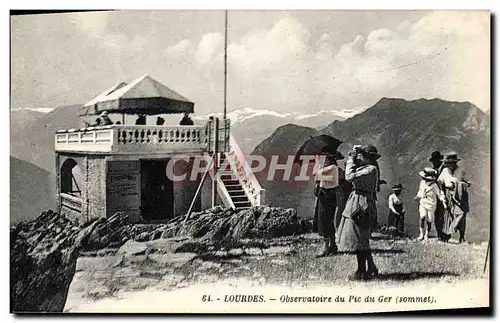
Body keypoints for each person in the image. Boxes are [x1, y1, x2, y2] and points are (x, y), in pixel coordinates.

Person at [336, 144, 380, 280]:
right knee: (360, 238)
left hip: (362, 203)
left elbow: (349, 177)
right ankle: (370, 267)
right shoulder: (367, 167)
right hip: (358, 200)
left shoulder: (370, 169)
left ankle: (361, 271)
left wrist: (350, 160)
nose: (358, 156)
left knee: (360, 237)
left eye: (360, 154)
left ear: (367, 157)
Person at [312, 148, 345, 257]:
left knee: (324, 221)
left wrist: (317, 162)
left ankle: (326, 248)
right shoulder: (331, 168)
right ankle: (332, 245)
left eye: (326, 157)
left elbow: (315, 175)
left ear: (330, 158)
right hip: (326, 195)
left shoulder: (332, 168)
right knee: (327, 221)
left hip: (327, 196)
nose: (324, 159)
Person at [437, 152, 470, 243]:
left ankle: (461, 236)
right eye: (447, 163)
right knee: (448, 215)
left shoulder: (460, 171)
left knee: (461, 214)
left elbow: (466, 181)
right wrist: (442, 193)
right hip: (448, 194)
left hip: (459, 195)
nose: (448, 165)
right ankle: (447, 235)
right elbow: (440, 182)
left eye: (450, 163)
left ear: (454, 163)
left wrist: (462, 184)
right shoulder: (444, 171)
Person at [414, 168, 447, 241]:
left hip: (431, 205)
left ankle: (426, 234)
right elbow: (420, 191)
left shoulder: (434, 186)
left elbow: (439, 194)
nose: (425, 179)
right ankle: (421, 234)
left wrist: (443, 201)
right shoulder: (422, 183)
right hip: (423, 203)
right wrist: (418, 196)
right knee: (422, 217)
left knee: (429, 220)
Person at [428, 151, 446, 240]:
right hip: (435, 195)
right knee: (436, 214)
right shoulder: (432, 170)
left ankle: (443, 233)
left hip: (444, 194)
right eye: (433, 161)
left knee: (442, 214)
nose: (434, 163)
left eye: (436, 160)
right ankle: (440, 233)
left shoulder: (445, 169)